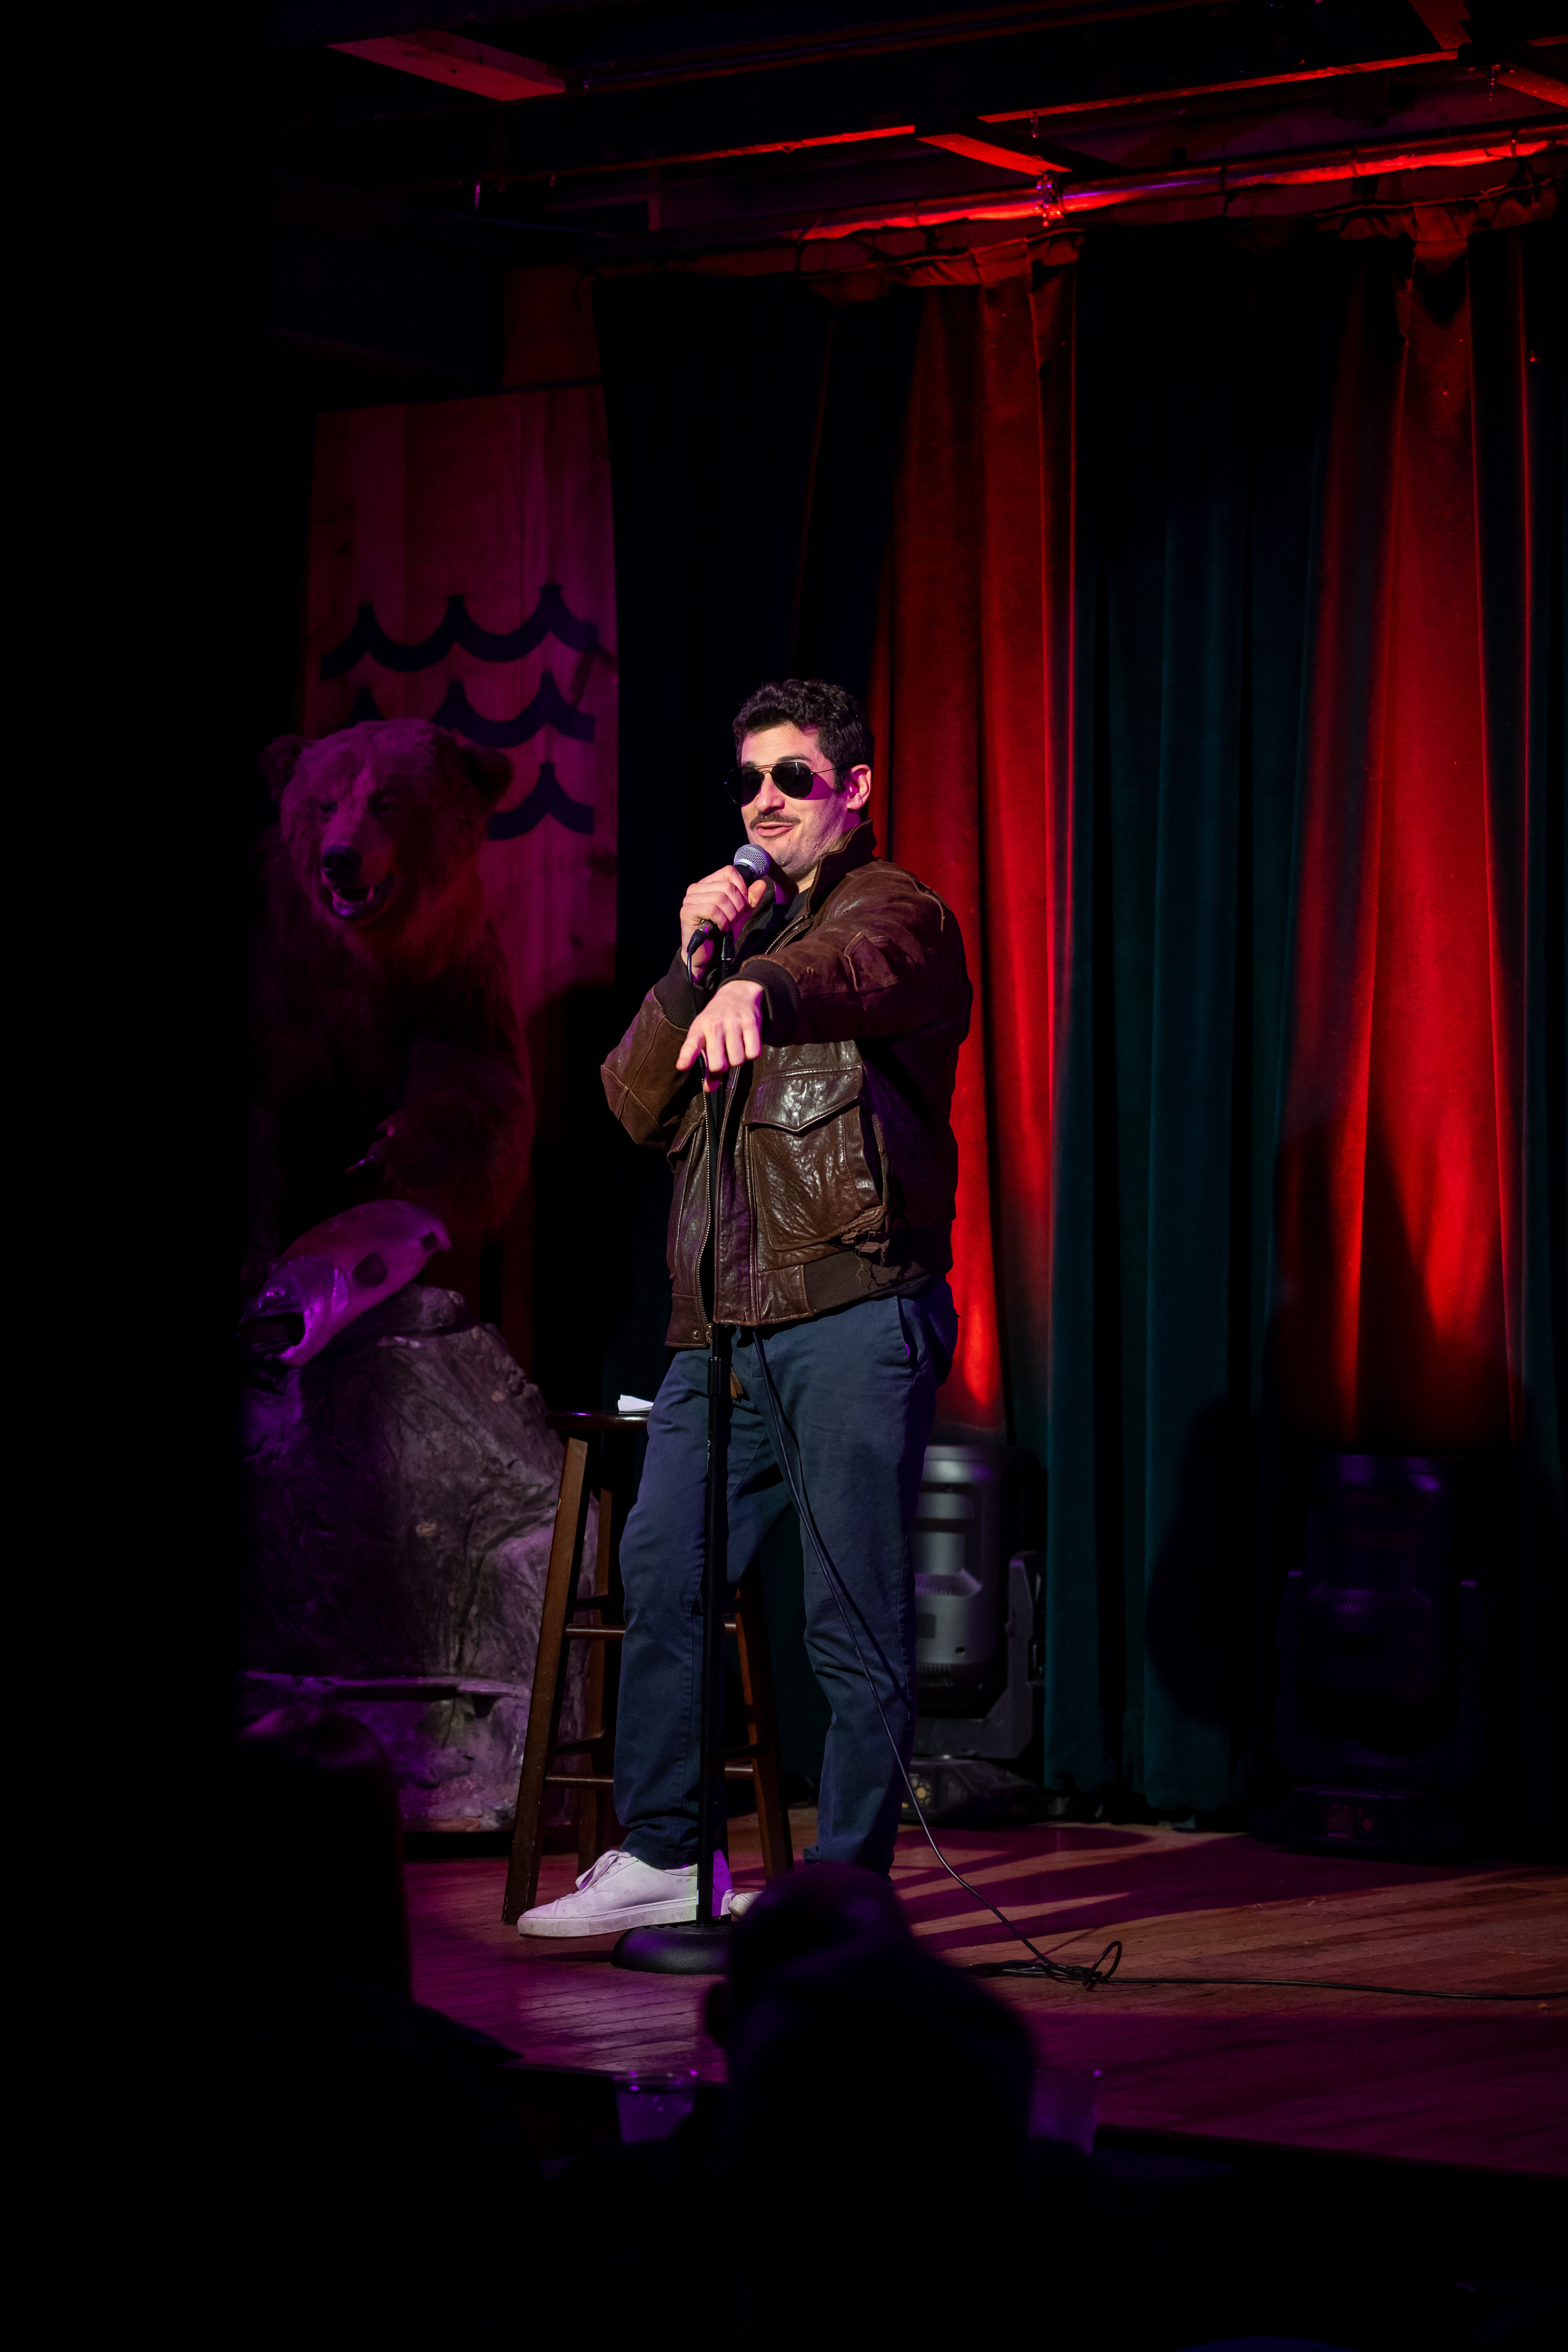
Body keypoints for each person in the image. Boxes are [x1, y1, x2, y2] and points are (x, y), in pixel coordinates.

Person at [519, 677, 971, 1937]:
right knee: (663, 1568)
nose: (763, 803)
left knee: (850, 1610)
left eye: (793, 778)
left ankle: (845, 1889)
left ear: (855, 788)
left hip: (850, 1312)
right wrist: (690, 962)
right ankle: (667, 1852)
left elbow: (851, 964)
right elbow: (630, 1103)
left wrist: (758, 985)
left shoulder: (897, 912)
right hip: (717, 1331)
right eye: (751, 783)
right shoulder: (734, 935)